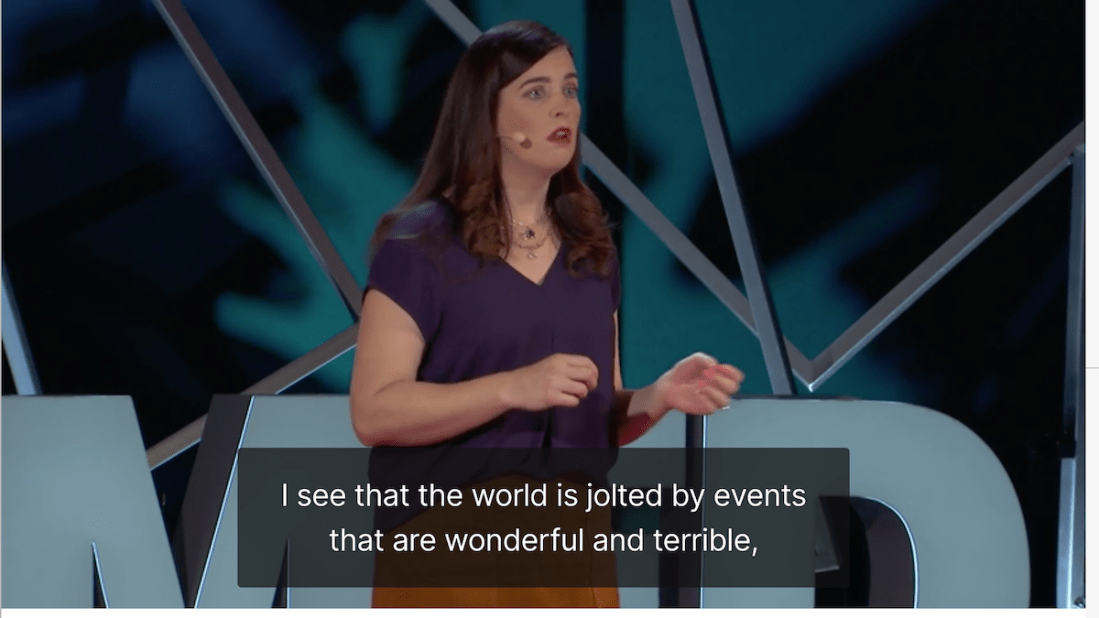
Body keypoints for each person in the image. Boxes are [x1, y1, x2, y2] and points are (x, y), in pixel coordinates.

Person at [349, 19, 744, 608]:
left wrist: (658, 397)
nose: (562, 107)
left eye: (570, 89)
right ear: (487, 114)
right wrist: (512, 388)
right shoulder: (420, 246)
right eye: (536, 92)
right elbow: (375, 412)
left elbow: (595, 418)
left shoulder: (592, 252)